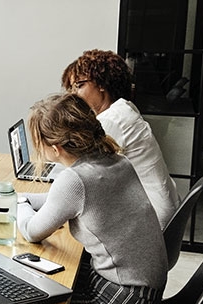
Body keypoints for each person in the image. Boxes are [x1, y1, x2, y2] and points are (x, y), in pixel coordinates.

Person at [16, 93, 167, 304]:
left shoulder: (74, 180)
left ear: (55, 148)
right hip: (144, 297)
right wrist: (21, 198)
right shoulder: (117, 161)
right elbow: (62, 201)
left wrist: (14, 203)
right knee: (43, 278)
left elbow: (31, 231)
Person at [61, 49, 178, 229]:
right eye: (72, 88)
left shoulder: (112, 120)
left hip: (152, 220)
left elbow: (81, 175)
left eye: (79, 85)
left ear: (101, 84)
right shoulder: (123, 108)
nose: (74, 94)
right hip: (157, 209)